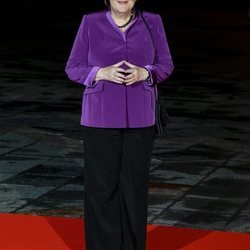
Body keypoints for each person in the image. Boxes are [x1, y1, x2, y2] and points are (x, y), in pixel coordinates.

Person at [65, 0, 174, 249]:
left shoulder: (152, 21)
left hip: (141, 118)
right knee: (102, 190)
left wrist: (145, 73)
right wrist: (99, 73)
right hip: (99, 119)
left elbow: (166, 64)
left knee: (134, 189)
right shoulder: (90, 22)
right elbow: (72, 67)